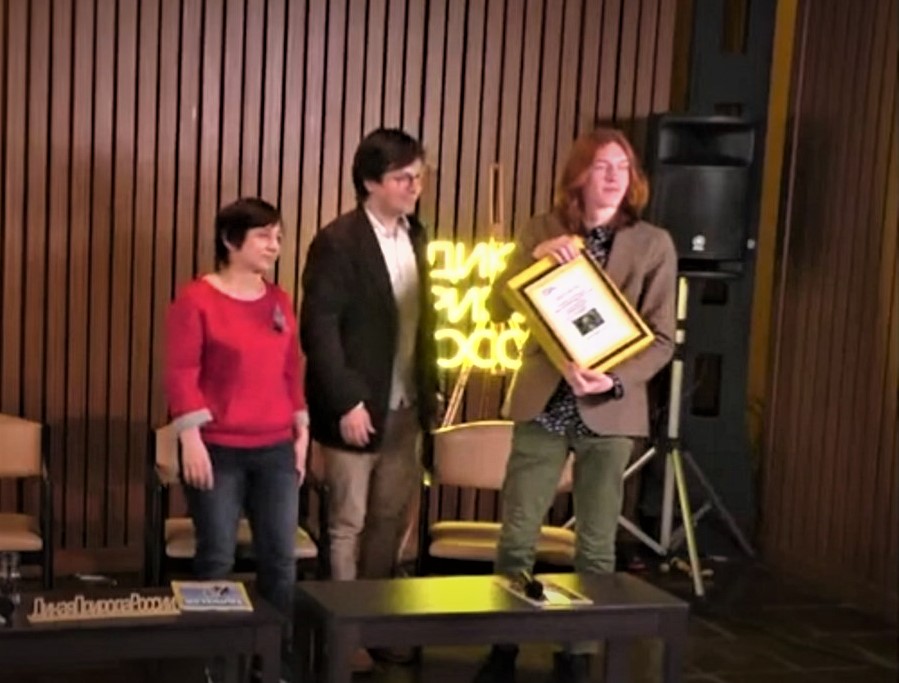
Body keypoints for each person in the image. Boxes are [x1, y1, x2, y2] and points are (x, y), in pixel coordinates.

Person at [475, 127, 677, 683]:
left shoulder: (654, 244)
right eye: (602, 166)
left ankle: (578, 655)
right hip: (544, 404)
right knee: (517, 536)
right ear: (579, 175)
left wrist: (611, 379)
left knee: (596, 545)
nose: (614, 176)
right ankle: (504, 649)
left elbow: (663, 340)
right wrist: (532, 259)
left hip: (610, 409)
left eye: (623, 166)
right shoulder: (541, 229)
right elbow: (496, 307)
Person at [300, 128, 439, 673]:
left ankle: (376, 624)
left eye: (419, 177)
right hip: (355, 409)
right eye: (403, 178)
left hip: (406, 407)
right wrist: (346, 403)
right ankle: (343, 632)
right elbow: (320, 332)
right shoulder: (338, 241)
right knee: (346, 524)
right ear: (370, 182)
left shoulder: (417, 236)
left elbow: (422, 323)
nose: (414, 187)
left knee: (388, 522)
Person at [165, 197, 308, 683]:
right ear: (231, 240)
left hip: (275, 447)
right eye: (264, 235)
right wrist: (191, 439)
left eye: (279, 236)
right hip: (217, 448)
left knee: (280, 560)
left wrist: (301, 429)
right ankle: (217, 664)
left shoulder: (279, 300)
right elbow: (181, 373)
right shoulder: (196, 300)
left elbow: (290, 370)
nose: (274, 245)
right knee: (217, 556)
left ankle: (273, 662)